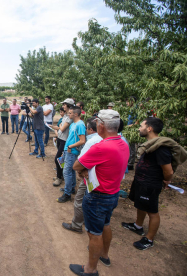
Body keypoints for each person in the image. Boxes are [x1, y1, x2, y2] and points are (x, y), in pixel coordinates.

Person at [69, 109, 129, 276]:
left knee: (94, 234)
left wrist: (84, 171)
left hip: (97, 196)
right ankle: (104, 255)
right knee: (106, 225)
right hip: (113, 194)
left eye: (96, 123)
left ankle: (90, 269)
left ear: (101, 126)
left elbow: (76, 166)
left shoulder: (101, 147)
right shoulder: (123, 143)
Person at [121, 118, 174, 250]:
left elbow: (168, 170)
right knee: (141, 205)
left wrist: (167, 180)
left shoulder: (160, 148)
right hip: (142, 181)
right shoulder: (151, 144)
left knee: (152, 211)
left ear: (149, 128)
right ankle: (138, 226)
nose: (139, 128)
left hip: (150, 184)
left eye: (141, 126)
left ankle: (149, 239)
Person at [62, 117, 103, 234]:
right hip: (99, 176)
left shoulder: (91, 141)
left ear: (90, 129)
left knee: (80, 200)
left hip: (90, 176)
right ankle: (87, 220)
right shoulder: (106, 139)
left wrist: (81, 172)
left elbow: (79, 163)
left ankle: (76, 225)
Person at [57, 105, 86, 203]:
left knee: (66, 172)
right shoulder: (73, 124)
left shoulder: (80, 125)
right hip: (67, 151)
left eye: (70, 113)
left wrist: (70, 147)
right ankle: (71, 188)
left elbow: (82, 140)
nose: (68, 114)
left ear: (76, 114)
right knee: (70, 170)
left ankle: (67, 194)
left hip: (72, 152)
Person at [49, 99, 73, 187]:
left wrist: (60, 126)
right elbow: (60, 128)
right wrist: (53, 126)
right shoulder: (65, 116)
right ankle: (60, 175)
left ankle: (59, 177)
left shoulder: (69, 117)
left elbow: (62, 129)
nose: (63, 106)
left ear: (68, 106)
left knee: (58, 159)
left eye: (64, 105)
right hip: (60, 139)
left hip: (64, 141)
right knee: (60, 159)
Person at [126, 96, 138, 170]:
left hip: (132, 131)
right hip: (128, 130)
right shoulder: (129, 109)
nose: (126, 103)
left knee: (131, 146)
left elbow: (137, 122)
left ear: (132, 102)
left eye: (128, 102)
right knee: (128, 146)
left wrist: (129, 126)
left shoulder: (135, 110)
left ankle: (130, 163)